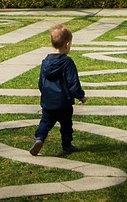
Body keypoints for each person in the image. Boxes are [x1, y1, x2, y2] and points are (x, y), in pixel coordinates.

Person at [30, 22, 87, 156]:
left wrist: (45, 94)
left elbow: (41, 83)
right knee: (66, 125)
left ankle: (39, 138)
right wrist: (81, 96)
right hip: (64, 103)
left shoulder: (45, 62)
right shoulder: (67, 62)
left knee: (45, 122)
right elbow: (73, 84)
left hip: (48, 102)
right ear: (67, 45)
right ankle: (67, 145)